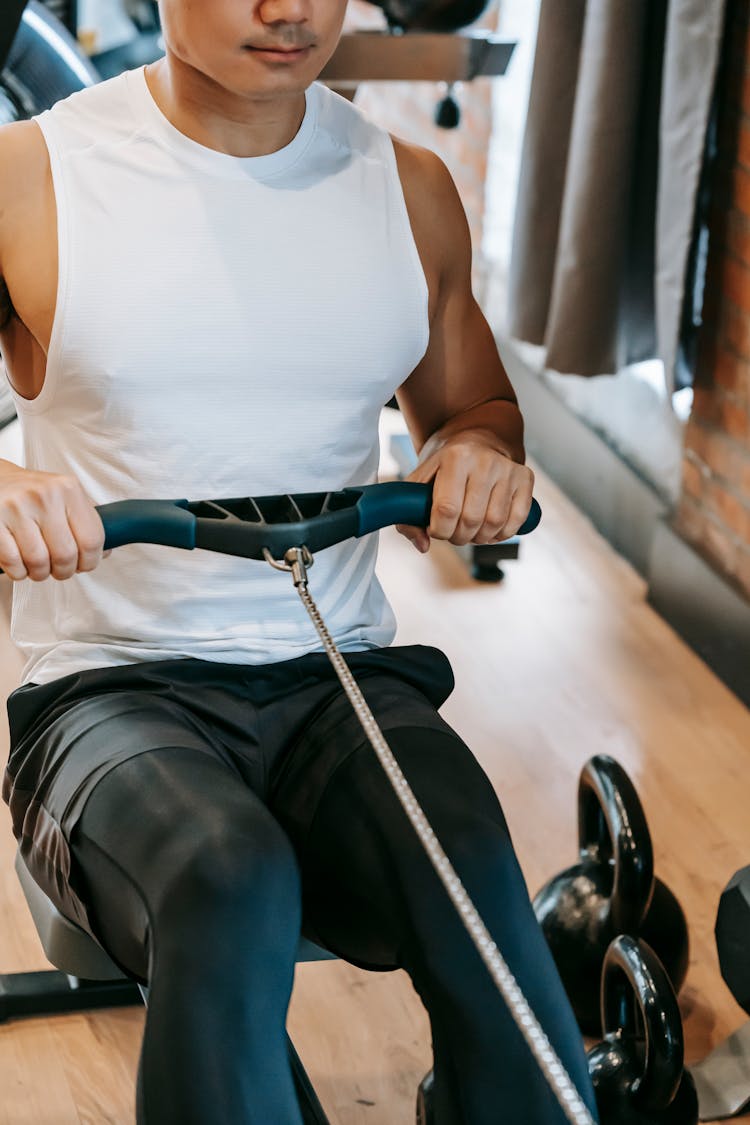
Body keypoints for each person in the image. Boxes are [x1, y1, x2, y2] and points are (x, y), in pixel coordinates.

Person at [0, 2, 599, 1122]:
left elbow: (474, 407)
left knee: (467, 860)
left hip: (341, 684)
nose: (289, 10)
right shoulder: (31, 177)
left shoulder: (408, 189)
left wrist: (477, 452)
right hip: (106, 691)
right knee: (227, 874)